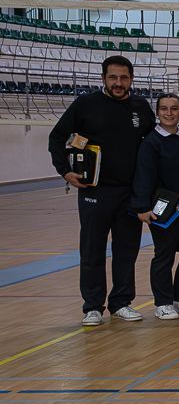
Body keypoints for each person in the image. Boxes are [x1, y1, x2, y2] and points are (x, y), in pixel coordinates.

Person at [49, 55, 155, 325]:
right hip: (94, 191)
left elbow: (154, 141)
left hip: (129, 193)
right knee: (92, 250)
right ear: (103, 78)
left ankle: (121, 303)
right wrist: (65, 171)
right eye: (113, 77)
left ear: (131, 79)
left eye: (124, 78)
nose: (118, 83)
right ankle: (93, 306)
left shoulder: (141, 107)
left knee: (126, 251)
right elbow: (57, 136)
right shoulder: (86, 104)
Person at [130, 93, 179, 320]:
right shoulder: (151, 142)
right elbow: (144, 175)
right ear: (157, 112)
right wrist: (142, 206)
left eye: (174, 108)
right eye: (164, 109)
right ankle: (163, 302)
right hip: (163, 209)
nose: (169, 113)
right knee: (164, 255)